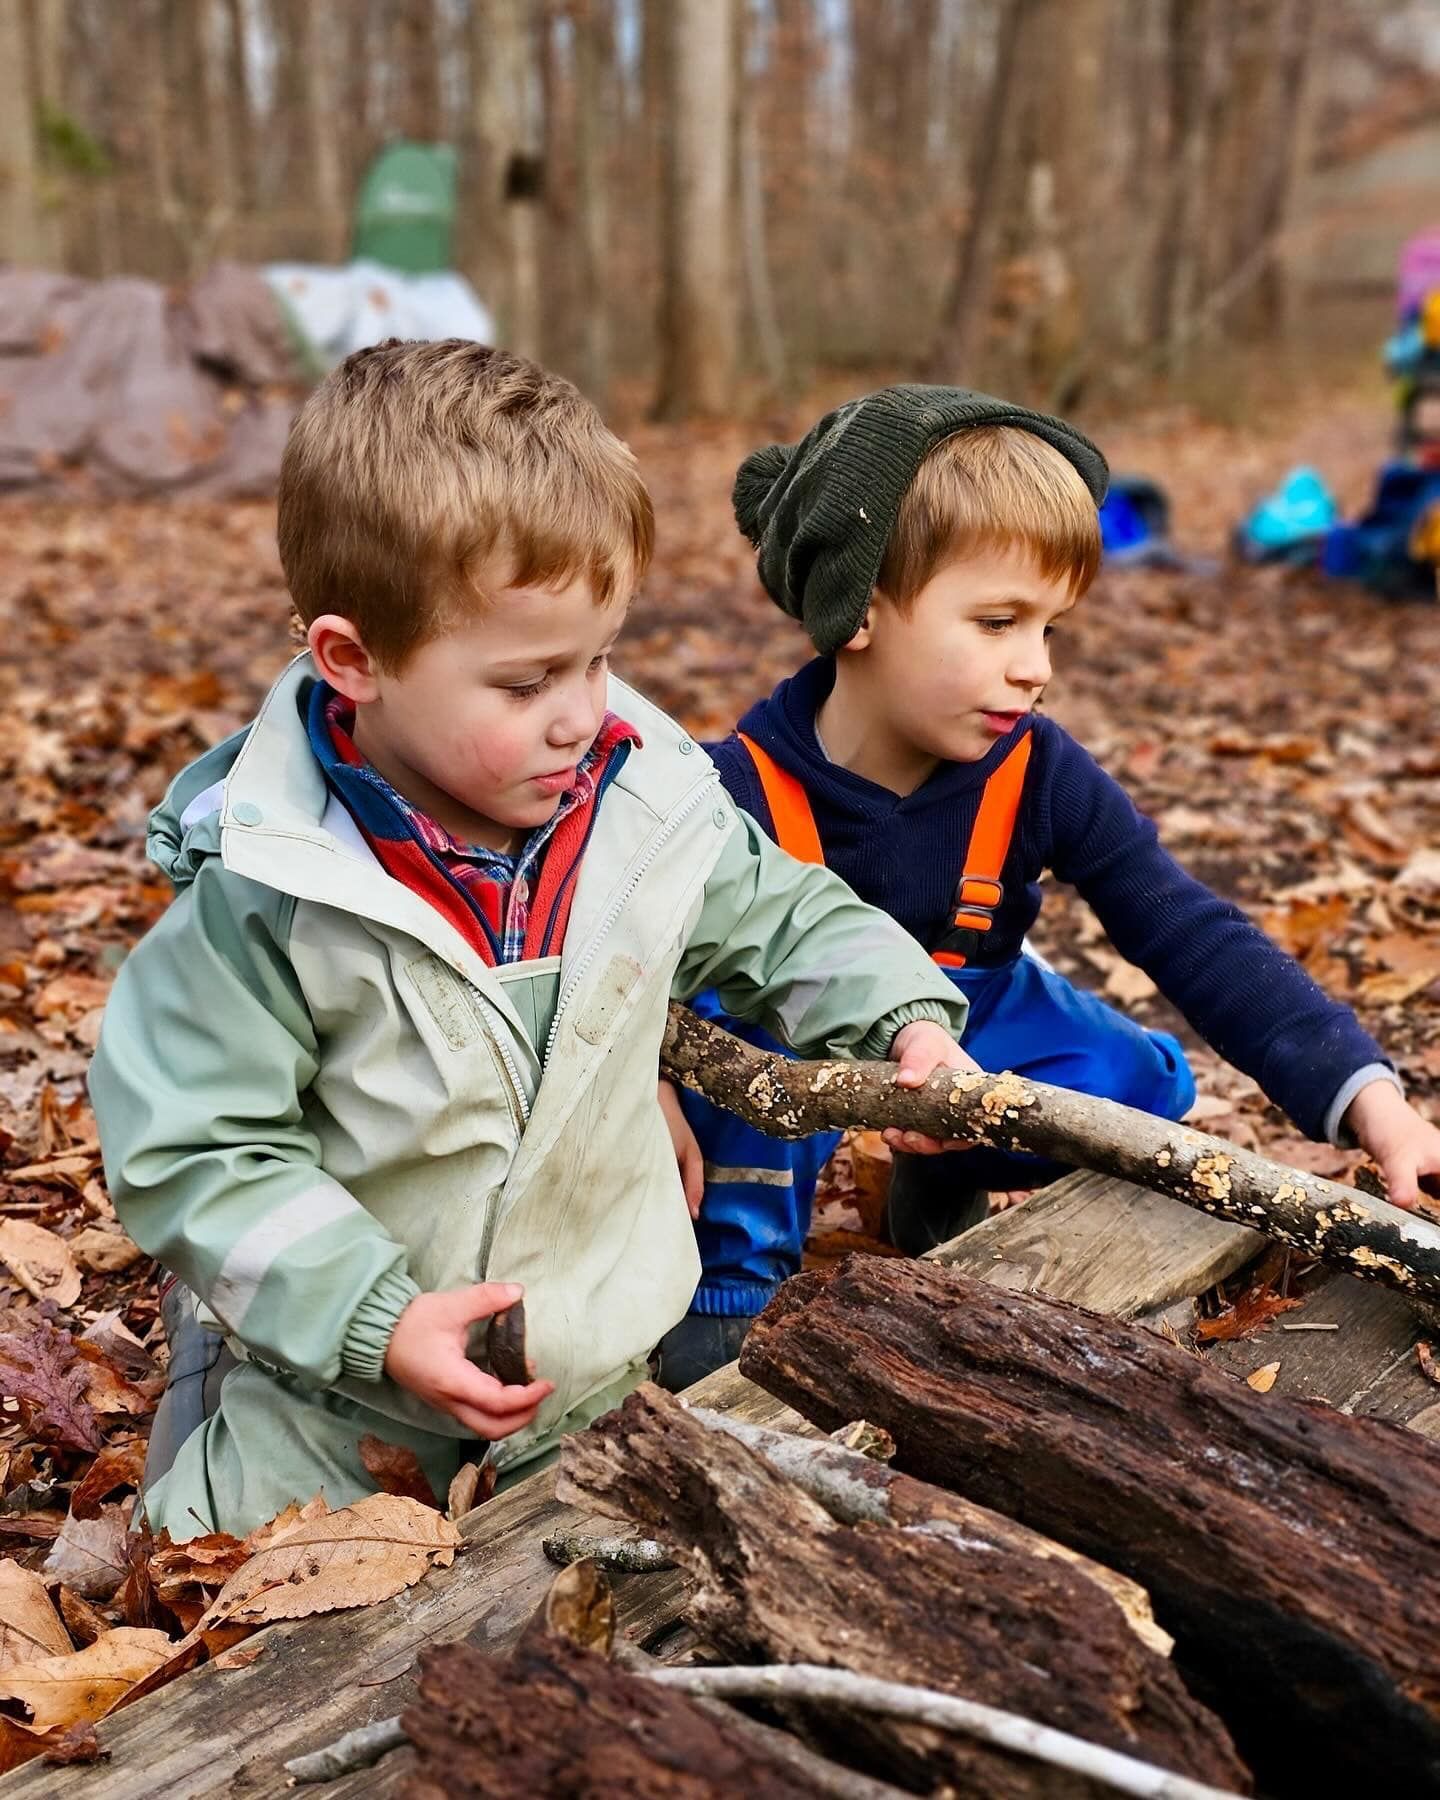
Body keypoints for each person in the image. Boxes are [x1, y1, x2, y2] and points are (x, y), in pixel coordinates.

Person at [88, 344, 975, 1541]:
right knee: (227, 1608)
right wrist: (376, 1322)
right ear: (355, 663)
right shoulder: (272, 890)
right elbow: (196, 1145)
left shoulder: (641, 808)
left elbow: (783, 913)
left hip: (596, 1371)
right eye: (525, 681)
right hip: (340, 1397)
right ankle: (206, 1409)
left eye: (600, 657)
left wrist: (904, 1020)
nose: (583, 712)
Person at [659, 384, 1440, 1386]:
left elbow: (1185, 926)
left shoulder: (1037, 767)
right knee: (735, 1060)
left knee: (1144, 1086)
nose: (1035, 669)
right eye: (996, 622)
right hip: (789, 1041)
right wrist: (651, 1091)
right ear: (857, 610)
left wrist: (1366, 1097)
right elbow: (634, 958)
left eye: (1050, 629)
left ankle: (944, 1172)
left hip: (967, 1011)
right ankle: (732, 1302)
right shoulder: (733, 789)